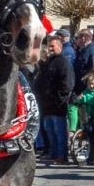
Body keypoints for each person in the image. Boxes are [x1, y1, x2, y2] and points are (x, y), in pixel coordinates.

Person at [35, 32, 74, 167]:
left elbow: (67, 84)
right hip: (47, 104)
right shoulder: (48, 62)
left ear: (60, 46)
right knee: (50, 131)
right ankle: (53, 154)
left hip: (58, 105)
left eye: (53, 46)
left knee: (60, 132)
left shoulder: (63, 62)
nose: (50, 49)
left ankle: (62, 156)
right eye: (49, 47)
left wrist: (60, 99)